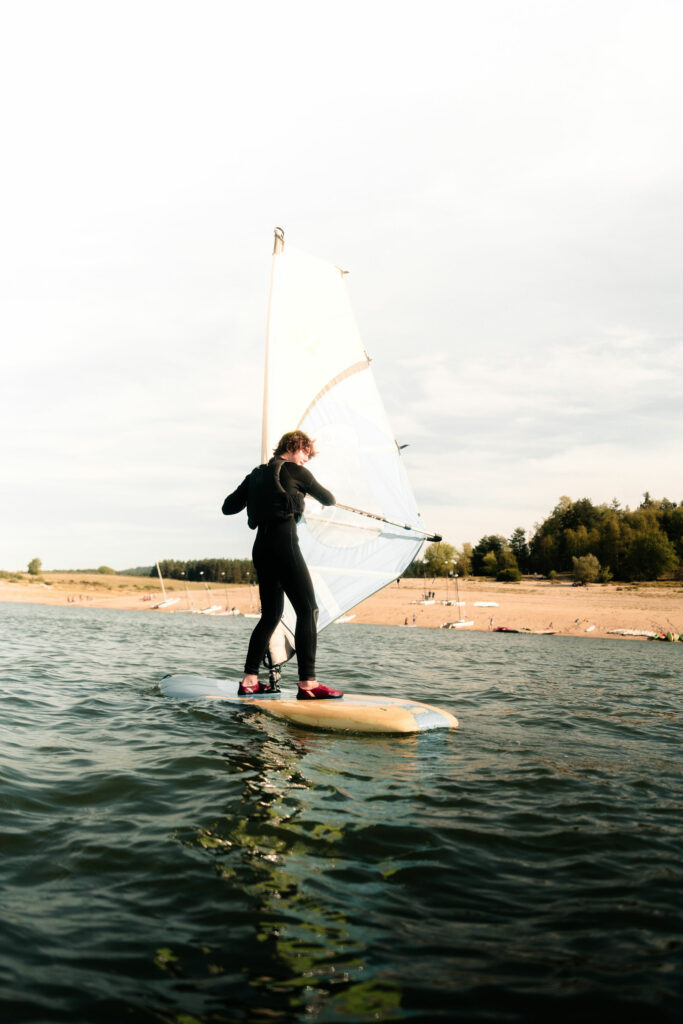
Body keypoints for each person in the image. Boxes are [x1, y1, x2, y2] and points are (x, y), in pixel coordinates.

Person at [222, 430, 343, 701]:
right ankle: (308, 683)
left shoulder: (255, 475)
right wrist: (301, 492)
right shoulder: (296, 472)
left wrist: (258, 494)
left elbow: (228, 507)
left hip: (261, 549)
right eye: (305, 454)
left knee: (271, 615)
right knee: (308, 610)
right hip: (284, 545)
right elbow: (329, 499)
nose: (305, 461)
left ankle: (250, 681)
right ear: (293, 446)